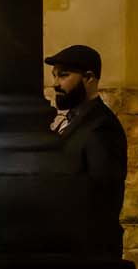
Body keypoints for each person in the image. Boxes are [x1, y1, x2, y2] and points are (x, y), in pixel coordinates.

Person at [46, 43, 128, 255]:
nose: (55, 84)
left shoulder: (102, 127)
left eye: (63, 76)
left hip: (88, 250)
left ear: (89, 78)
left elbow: (102, 195)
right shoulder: (73, 120)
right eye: (54, 76)